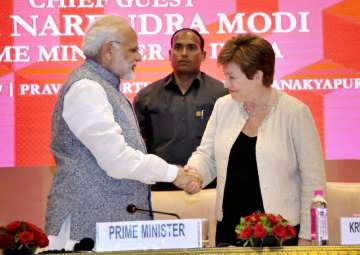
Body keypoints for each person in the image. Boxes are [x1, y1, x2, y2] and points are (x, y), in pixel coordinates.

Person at [45, 15, 201, 248]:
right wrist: (174, 174)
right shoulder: (87, 88)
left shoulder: (103, 87)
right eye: (133, 49)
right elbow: (117, 160)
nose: (139, 56)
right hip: (86, 229)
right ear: (109, 50)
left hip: (106, 227)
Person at [186, 33, 326, 246]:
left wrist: (307, 236)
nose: (226, 83)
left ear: (258, 76)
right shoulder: (223, 107)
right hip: (230, 228)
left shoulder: (295, 113)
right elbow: (207, 155)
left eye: (232, 77)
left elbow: (314, 182)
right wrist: (194, 174)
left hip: (280, 233)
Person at [133, 28, 227, 191]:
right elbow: (138, 148)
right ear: (170, 54)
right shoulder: (147, 96)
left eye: (191, 48)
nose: (184, 53)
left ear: (203, 55)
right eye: (178, 47)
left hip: (211, 188)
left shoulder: (222, 95)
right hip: (161, 189)